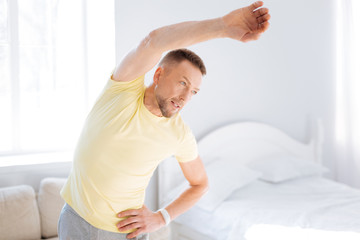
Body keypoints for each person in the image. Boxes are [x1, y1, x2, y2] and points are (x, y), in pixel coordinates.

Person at [58, 1, 271, 240]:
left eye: (194, 91)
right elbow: (153, 41)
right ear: (158, 75)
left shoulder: (179, 133)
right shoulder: (122, 92)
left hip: (127, 233)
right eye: (183, 83)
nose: (185, 97)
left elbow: (200, 184)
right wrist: (222, 26)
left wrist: (161, 218)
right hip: (78, 223)